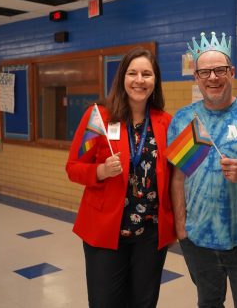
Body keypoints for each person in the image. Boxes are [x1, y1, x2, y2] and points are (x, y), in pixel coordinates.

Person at [168, 31, 237, 308]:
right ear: (196, 76)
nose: (213, 77)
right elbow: (179, 177)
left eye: (220, 70)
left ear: (232, 72)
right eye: (205, 71)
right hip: (199, 239)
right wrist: (182, 228)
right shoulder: (184, 118)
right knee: (208, 303)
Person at [66, 47, 176, 308]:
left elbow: (178, 176)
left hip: (149, 236)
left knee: (144, 302)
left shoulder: (166, 123)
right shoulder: (98, 117)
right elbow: (73, 167)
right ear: (122, 77)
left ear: (155, 81)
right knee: (105, 302)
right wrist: (100, 171)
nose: (140, 80)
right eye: (133, 73)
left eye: (147, 74)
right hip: (105, 232)